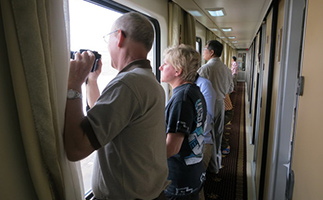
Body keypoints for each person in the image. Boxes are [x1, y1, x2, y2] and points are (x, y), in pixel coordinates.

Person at [64, 12, 169, 199]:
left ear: (119, 36)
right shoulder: (148, 80)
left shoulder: (128, 84)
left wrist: (73, 85)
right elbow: (108, 120)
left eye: (109, 38)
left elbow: (76, 148)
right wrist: (91, 81)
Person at [159, 44, 207, 200]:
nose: (160, 67)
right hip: (193, 171)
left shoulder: (182, 99)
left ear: (178, 71)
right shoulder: (195, 91)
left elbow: (171, 148)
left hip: (179, 179)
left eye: (165, 64)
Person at [198, 40, 233, 175]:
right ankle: (217, 164)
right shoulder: (226, 69)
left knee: (207, 136)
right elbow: (230, 88)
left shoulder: (205, 69)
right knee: (218, 134)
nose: (203, 52)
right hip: (221, 103)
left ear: (211, 52)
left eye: (205, 49)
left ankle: (210, 166)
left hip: (208, 104)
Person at [195, 74, 216, 200]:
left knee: (196, 186)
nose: (161, 67)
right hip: (193, 143)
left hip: (202, 142)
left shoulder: (204, 85)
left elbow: (206, 120)